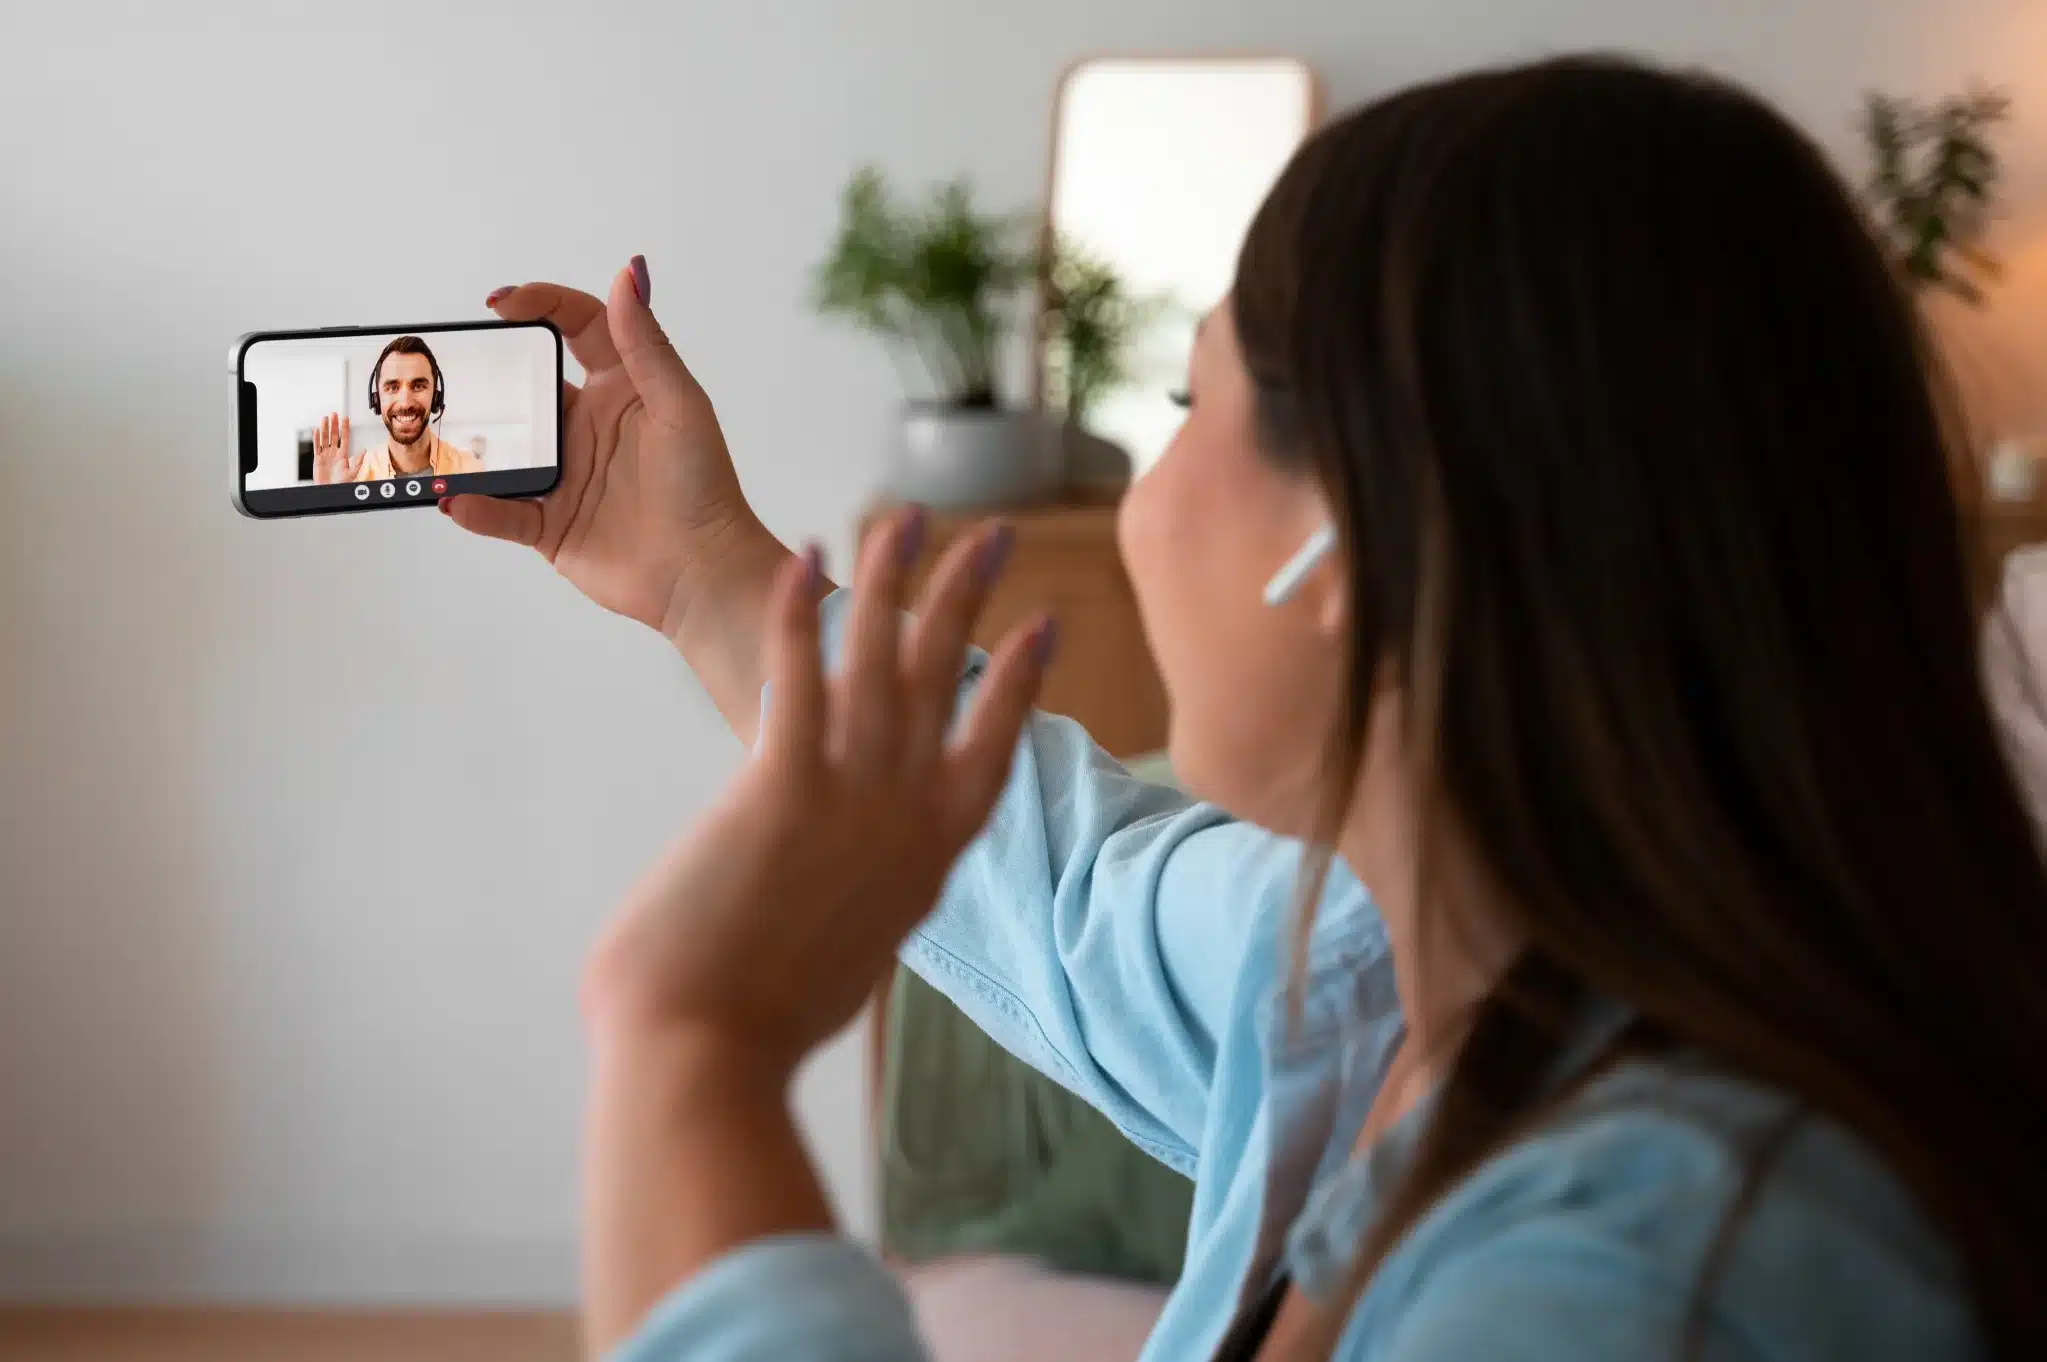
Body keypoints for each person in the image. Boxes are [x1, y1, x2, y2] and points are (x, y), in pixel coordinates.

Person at [445, 56, 2047, 1362]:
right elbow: (1074, 894)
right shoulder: (1415, 955)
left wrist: (692, 1049)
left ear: (1353, 535)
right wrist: (703, 576)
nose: (1140, 507)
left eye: (1182, 400)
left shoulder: (1639, 1284)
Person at [312, 335, 484, 484]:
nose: (405, 403)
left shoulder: (470, 469)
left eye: (418, 386)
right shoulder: (351, 477)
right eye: (392, 387)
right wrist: (328, 495)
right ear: (376, 399)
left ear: (436, 396)